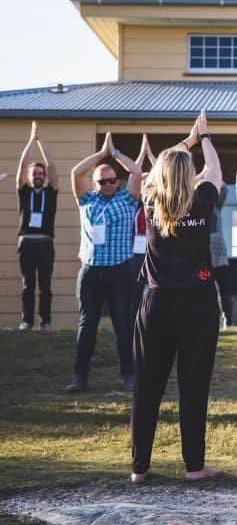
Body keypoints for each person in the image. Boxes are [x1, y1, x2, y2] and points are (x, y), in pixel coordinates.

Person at [130, 110, 222, 484]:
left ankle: (139, 468)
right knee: (194, 386)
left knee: (147, 386)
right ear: (190, 175)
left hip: (156, 304)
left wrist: (187, 140)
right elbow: (214, 168)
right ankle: (194, 466)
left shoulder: (151, 201)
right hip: (197, 304)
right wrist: (205, 138)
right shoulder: (203, 199)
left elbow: (152, 174)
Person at [67, 132, 143, 392]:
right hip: (90, 271)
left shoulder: (127, 198)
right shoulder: (87, 199)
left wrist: (117, 154)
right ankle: (80, 376)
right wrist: (100, 155)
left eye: (113, 180)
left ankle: (128, 376)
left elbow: (137, 172)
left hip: (120, 270)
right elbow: (76, 173)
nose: (110, 184)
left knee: (123, 325)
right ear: (95, 183)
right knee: (87, 325)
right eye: (104, 181)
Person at [16, 121, 59, 332]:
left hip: (45, 243)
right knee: (27, 285)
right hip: (26, 243)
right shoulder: (24, 192)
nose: (38, 176)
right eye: (35, 174)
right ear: (30, 177)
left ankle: (45, 322)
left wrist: (40, 141)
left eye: (41, 174)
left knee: (45, 287)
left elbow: (51, 165)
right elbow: (22, 166)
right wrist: (30, 140)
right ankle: (26, 321)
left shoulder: (51, 192)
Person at [129, 135, 156, 322]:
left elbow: (164, 173)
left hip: (153, 252)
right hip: (134, 254)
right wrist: (141, 154)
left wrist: (151, 155)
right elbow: (134, 174)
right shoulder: (132, 204)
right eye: (142, 183)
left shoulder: (157, 203)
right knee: (136, 291)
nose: (145, 186)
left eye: (148, 183)